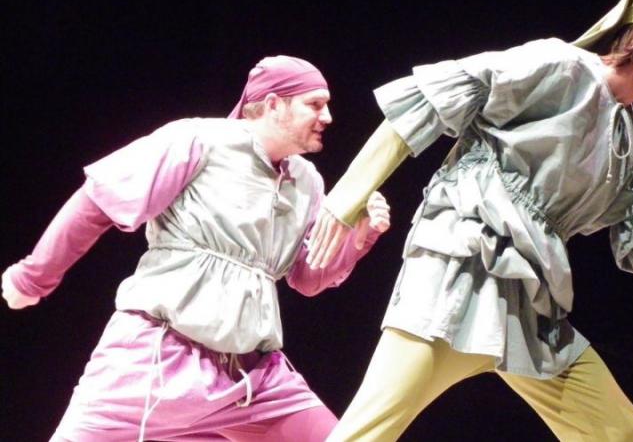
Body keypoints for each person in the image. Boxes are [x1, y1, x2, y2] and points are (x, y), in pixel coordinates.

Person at [306, 0, 633, 440]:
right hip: (461, 267)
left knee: (615, 430)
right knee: (367, 432)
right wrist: (344, 200)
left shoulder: (630, 145)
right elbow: (432, 99)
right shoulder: (560, 65)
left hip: (530, 300)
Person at [1, 55, 391, 442]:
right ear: (273, 104)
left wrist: (358, 237)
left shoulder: (307, 181)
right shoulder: (199, 141)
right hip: (158, 359)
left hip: (253, 378)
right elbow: (97, 202)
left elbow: (306, 277)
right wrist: (33, 277)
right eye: (315, 104)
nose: (327, 117)